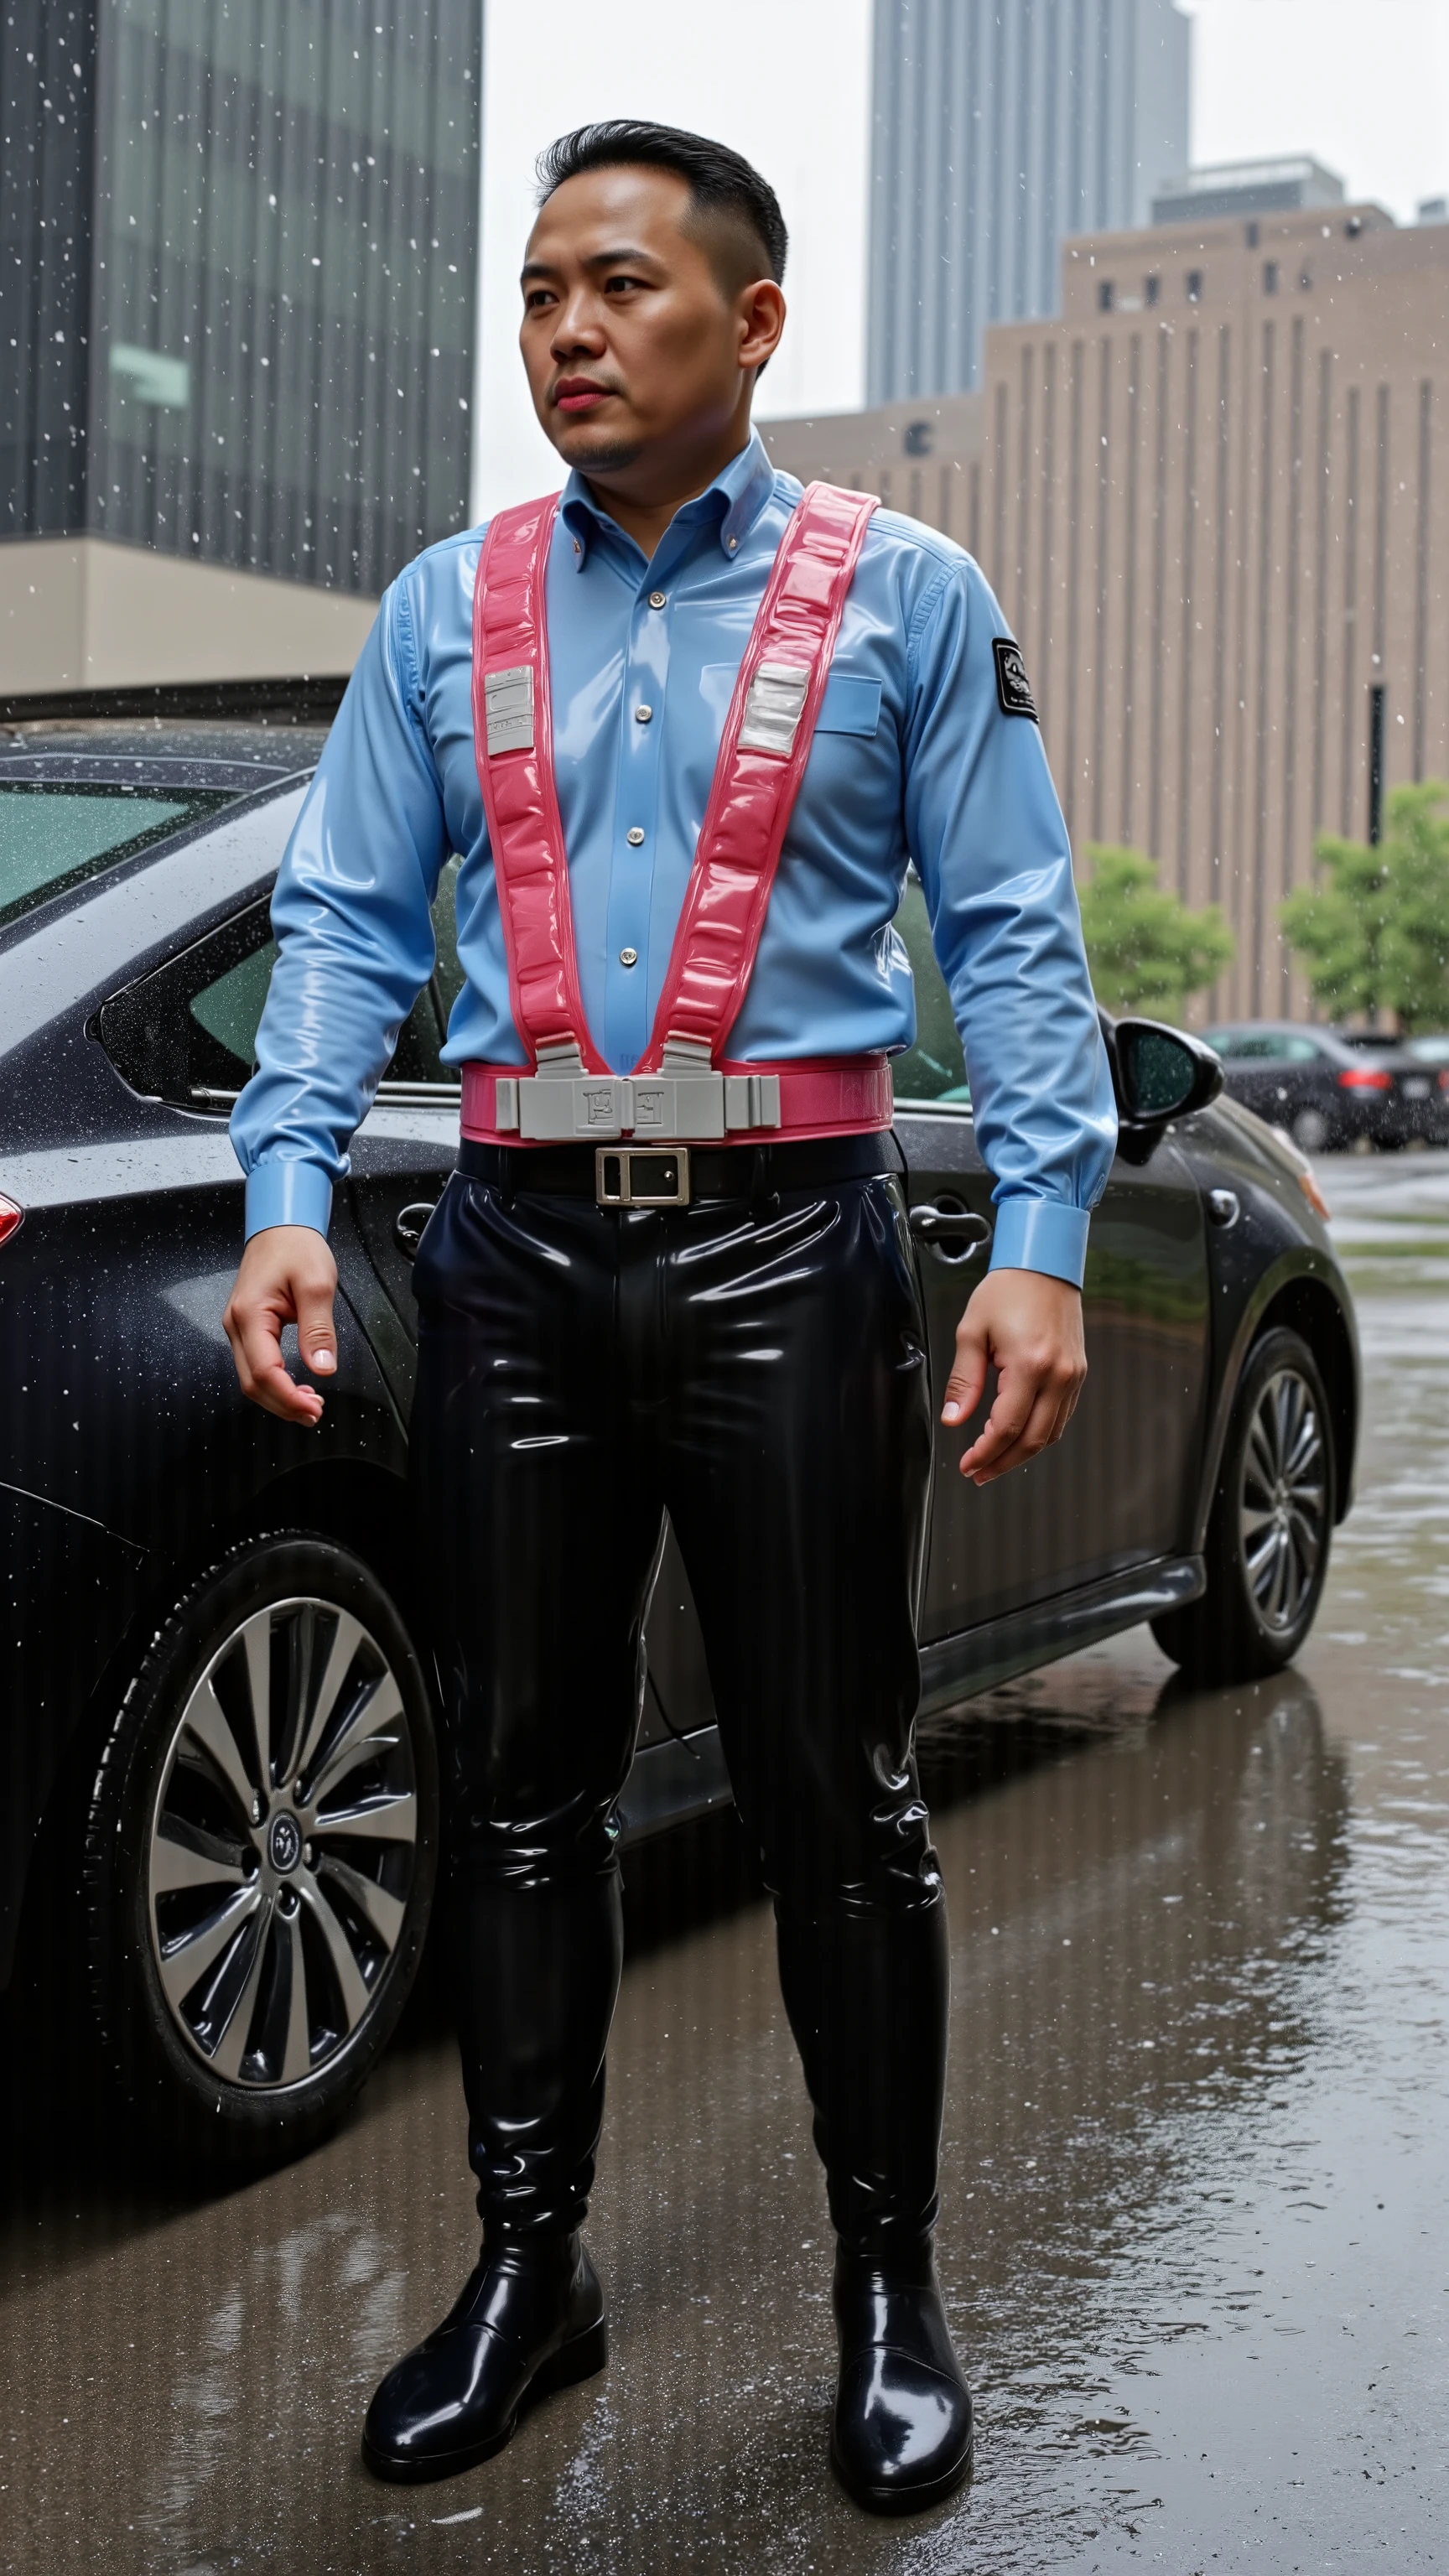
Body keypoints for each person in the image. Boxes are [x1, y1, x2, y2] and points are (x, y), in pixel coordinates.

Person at [222, 120, 1117, 2516]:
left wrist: (1044, 1223)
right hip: (508, 1250)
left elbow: (1010, 931)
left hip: (790, 1240)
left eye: (617, 286)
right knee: (518, 1786)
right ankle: (532, 2271)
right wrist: (288, 1182)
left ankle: (888, 2287)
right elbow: (337, 924)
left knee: (843, 1784)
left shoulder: (908, 593)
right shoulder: (446, 606)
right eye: (537, 297)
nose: (568, 333)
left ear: (757, 322)